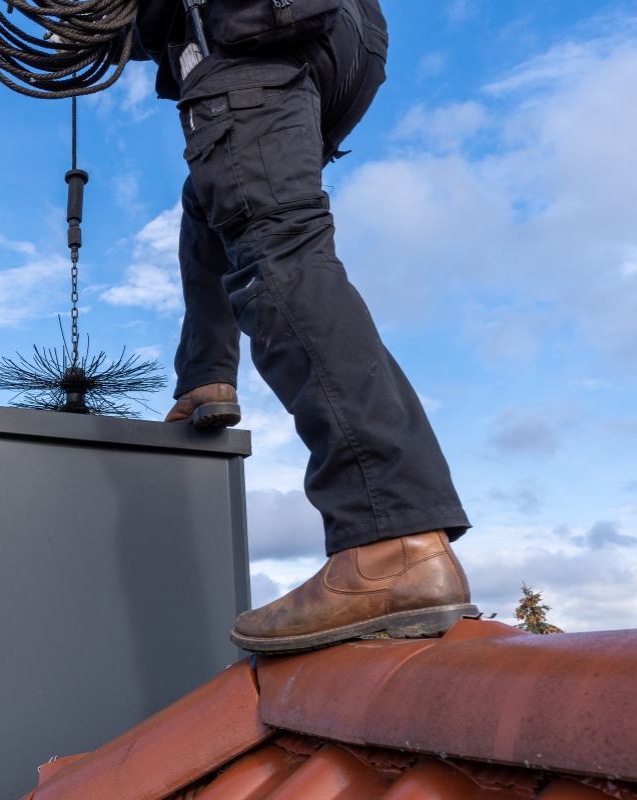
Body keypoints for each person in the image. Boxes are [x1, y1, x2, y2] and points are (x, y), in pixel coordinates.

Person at [135, 0, 478, 652]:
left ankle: (391, 540)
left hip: (245, 26)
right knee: (213, 195)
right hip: (340, 35)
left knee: (276, 249)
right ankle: (205, 375)